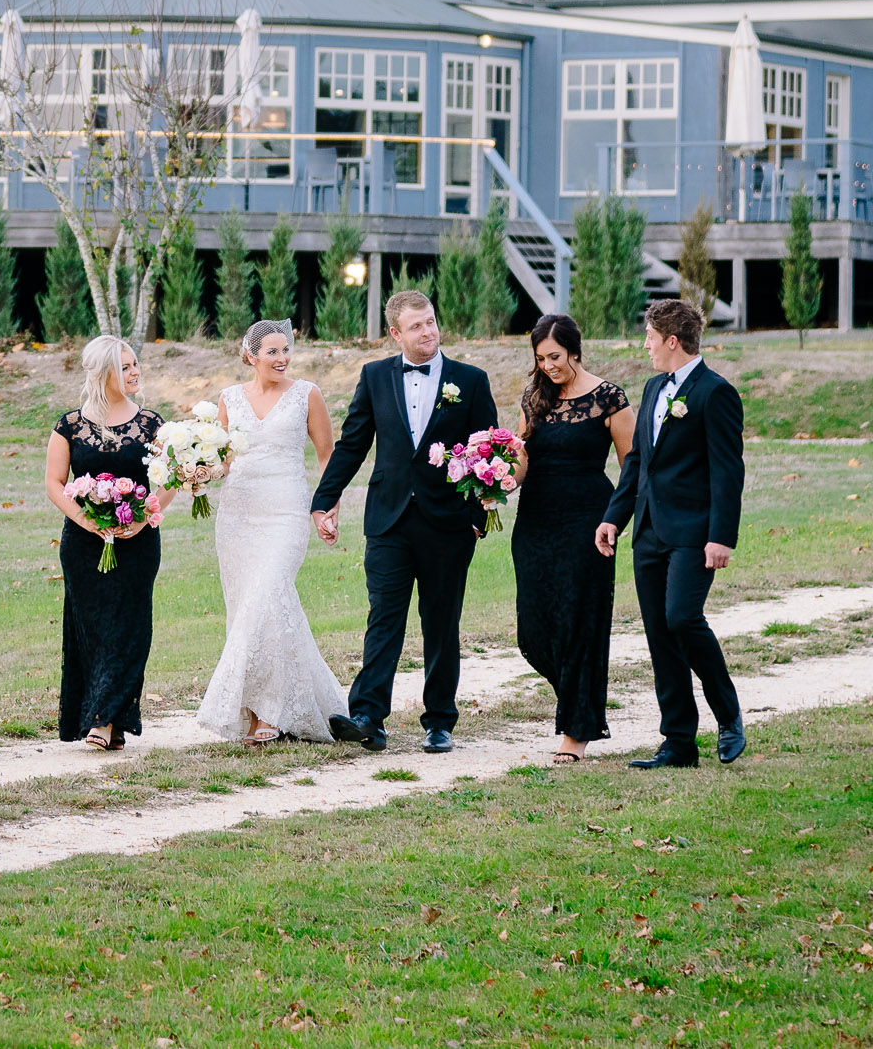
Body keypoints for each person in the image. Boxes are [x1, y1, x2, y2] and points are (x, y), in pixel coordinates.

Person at [313, 288, 498, 754]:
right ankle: (368, 716)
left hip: (448, 523)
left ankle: (439, 721)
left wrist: (476, 515)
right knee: (384, 620)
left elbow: (488, 452)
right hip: (389, 520)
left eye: (431, 321)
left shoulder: (470, 380)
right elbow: (353, 443)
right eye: (417, 326)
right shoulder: (374, 376)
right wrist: (324, 500)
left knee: (441, 623)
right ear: (396, 333)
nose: (428, 331)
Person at [597, 298, 747, 769]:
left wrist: (721, 536)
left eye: (650, 338)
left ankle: (728, 713)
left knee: (682, 618)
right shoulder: (652, 387)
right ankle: (679, 742)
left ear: (673, 341)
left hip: (694, 533)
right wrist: (613, 518)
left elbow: (728, 471)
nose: (645, 347)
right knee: (660, 635)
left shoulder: (714, 393)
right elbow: (637, 461)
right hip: (648, 533)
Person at [198, 320, 347, 745]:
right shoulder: (229, 398)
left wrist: (326, 510)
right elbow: (223, 461)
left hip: (285, 513)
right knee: (248, 610)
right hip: (238, 516)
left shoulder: (307, 395)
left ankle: (272, 712)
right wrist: (197, 471)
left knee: (268, 596)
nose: (282, 359)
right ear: (251, 356)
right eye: (272, 352)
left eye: (286, 351)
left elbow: (327, 457)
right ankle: (254, 710)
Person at [510, 313, 633, 764]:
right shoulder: (534, 397)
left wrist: (616, 522)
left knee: (579, 623)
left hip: (588, 523)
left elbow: (631, 467)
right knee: (534, 630)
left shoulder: (609, 398)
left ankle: (576, 731)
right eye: (540, 358)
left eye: (555, 357)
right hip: (535, 521)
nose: (548, 366)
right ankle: (582, 699)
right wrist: (499, 479)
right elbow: (521, 458)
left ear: (575, 352)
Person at [44, 336, 165, 749]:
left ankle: (106, 719)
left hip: (137, 540)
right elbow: (54, 483)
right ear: (103, 373)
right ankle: (103, 720)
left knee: (130, 628)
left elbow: (168, 481)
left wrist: (144, 517)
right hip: (83, 543)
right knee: (91, 629)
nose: (134, 373)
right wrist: (87, 521)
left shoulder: (151, 423)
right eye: (125, 366)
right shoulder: (70, 424)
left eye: (135, 365)